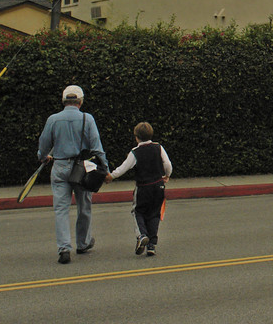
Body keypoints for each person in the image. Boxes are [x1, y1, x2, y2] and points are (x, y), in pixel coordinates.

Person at [37, 85, 107, 264]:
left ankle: (64, 248)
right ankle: (83, 243)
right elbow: (96, 147)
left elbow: (44, 143)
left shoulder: (53, 119)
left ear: (63, 101)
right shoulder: (87, 119)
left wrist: (44, 157)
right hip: (81, 168)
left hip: (60, 166)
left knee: (61, 209)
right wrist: (104, 169)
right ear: (80, 102)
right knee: (84, 207)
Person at [105, 121, 172, 256]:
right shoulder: (158, 147)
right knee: (155, 214)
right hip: (159, 186)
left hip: (143, 187)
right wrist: (167, 175)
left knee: (138, 212)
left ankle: (142, 235)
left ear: (136, 137)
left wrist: (111, 176)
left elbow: (123, 168)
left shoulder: (135, 152)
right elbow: (168, 164)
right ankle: (152, 245)